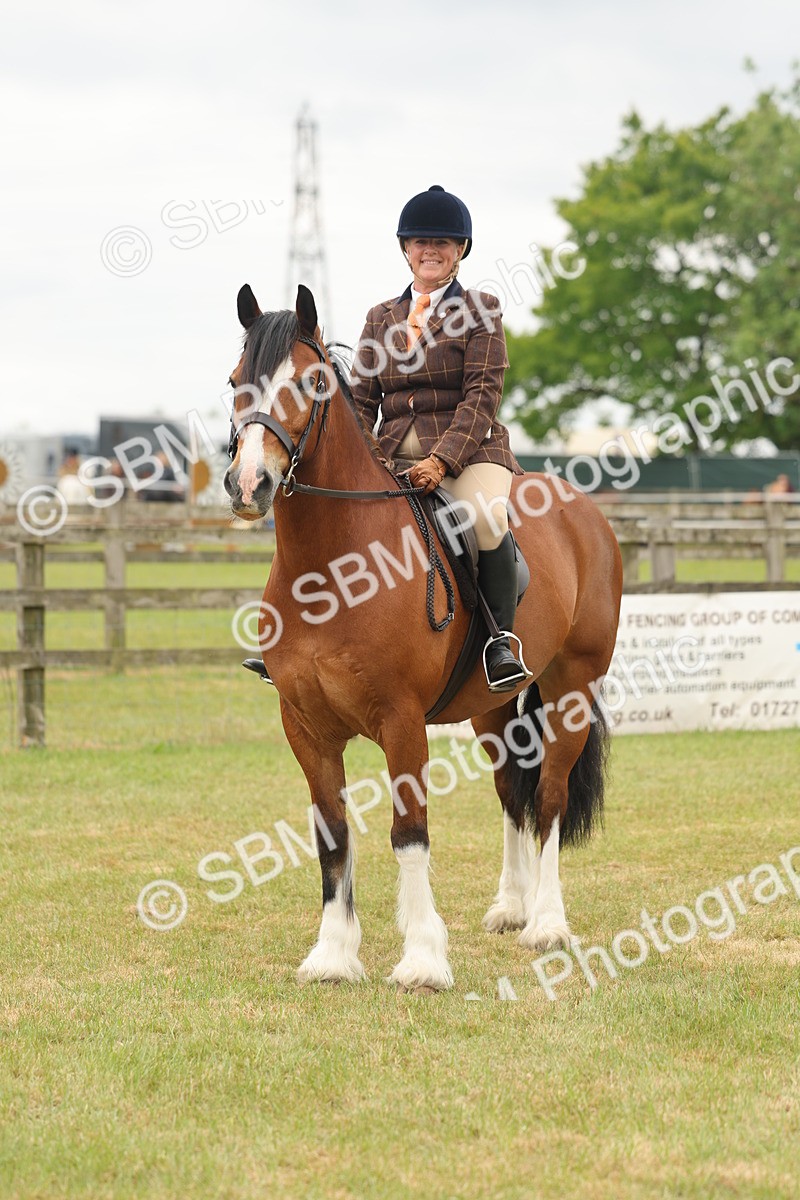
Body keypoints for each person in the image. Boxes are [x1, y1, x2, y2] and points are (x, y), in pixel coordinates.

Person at [351, 185, 526, 692]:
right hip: (391, 450)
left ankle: (500, 643)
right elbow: (362, 399)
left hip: (470, 448)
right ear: (405, 248)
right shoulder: (380, 317)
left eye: (443, 242)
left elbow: (482, 395)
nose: (431, 250)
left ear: (461, 250)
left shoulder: (482, 309)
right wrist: (364, 454)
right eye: (420, 241)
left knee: (487, 518)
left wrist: (442, 462)